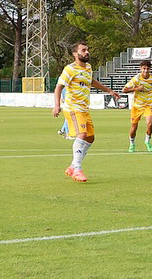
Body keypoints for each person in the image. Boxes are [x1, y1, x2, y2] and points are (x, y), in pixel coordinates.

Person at [51, 41, 121, 182]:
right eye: (83, 50)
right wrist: (57, 105)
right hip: (73, 108)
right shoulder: (69, 69)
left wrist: (109, 90)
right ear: (75, 54)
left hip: (84, 109)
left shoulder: (88, 67)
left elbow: (91, 82)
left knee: (90, 138)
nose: (87, 52)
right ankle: (77, 169)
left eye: (87, 50)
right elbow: (59, 87)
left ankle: (72, 167)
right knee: (81, 134)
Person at [122, 59, 152, 152]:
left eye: (147, 69)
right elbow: (124, 90)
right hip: (137, 106)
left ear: (150, 69)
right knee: (134, 128)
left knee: (150, 124)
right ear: (140, 68)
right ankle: (132, 143)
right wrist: (137, 88)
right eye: (144, 68)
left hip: (148, 105)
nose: (145, 71)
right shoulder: (136, 79)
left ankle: (147, 141)